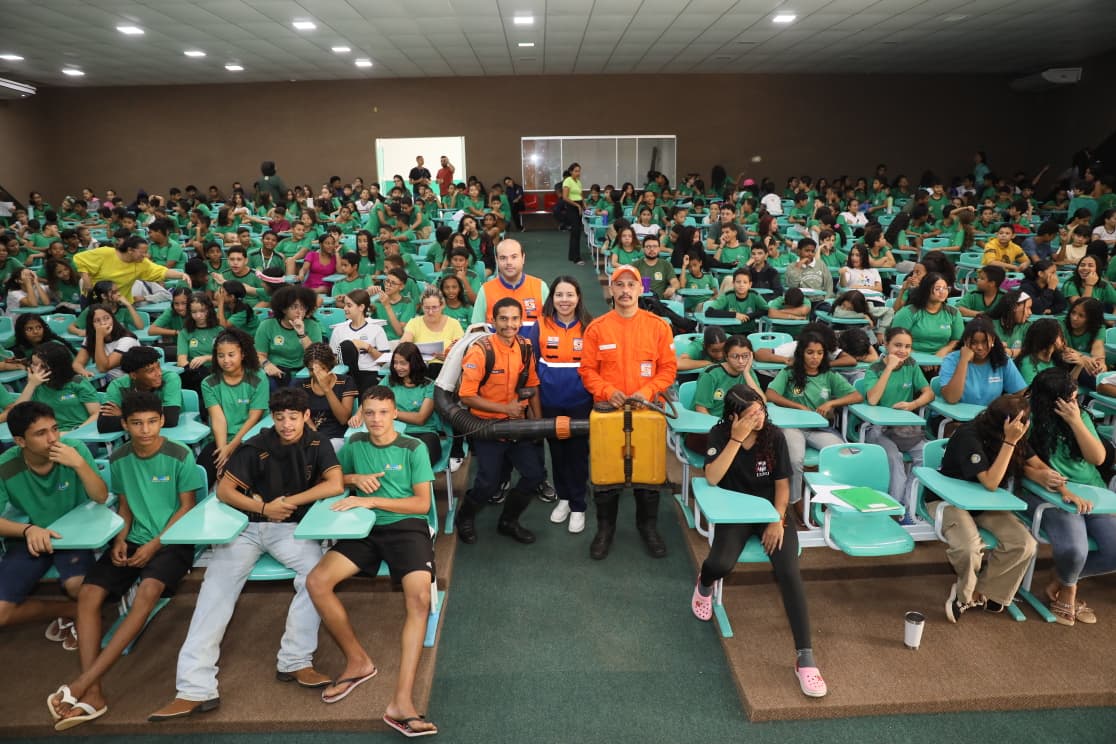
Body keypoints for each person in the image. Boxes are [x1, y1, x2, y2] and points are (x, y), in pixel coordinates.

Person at [149, 387, 342, 722]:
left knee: (316, 579)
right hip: (248, 527)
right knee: (215, 592)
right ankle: (194, 689)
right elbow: (224, 490)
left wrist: (290, 503)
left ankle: (295, 661)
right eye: (280, 417)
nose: (286, 424)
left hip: (289, 529)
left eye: (293, 417)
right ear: (272, 417)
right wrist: (264, 506)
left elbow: (335, 484)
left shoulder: (318, 443)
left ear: (306, 417)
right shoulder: (256, 445)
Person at [49, 392, 201, 731]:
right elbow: (126, 506)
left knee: (147, 592)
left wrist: (153, 545)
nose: (145, 430)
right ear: (124, 425)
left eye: (151, 421)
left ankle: (81, 684)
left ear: (161, 421)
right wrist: (120, 538)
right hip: (132, 537)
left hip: (172, 539)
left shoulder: (180, 454)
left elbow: (186, 507)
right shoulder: (119, 458)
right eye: (136, 423)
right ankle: (95, 692)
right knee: (88, 594)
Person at [305, 386, 438, 736]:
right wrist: (352, 480)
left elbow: (421, 504)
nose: (376, 419)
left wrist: (373, 501)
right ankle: (358, 661)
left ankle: (402, 702)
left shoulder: (414, 447)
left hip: (405, 527)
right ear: (361, 414)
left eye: (383, 412)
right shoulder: (355, 445)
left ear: (395, 413)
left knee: (420, 599)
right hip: (362, 529)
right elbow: (334, 481)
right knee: (317, 582)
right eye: (370, 412)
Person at [690, 386, 827, 698]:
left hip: (770, 514)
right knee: (721, 564)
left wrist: (777, 520)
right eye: (752, 414)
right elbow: (712, 477)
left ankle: (805, 658)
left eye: (762, 411)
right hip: (735, 513)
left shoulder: (774, 436)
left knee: (790, 574)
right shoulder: (719, 433)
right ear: (734, 416)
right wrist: (737, 439)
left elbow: (782, 485)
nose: (759, 417)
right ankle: (705, 582)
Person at [579, 265, 677, 560]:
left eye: (630, 285)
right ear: (611, 289)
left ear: (640, 289)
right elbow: (586, 370)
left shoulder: (658, 326)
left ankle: (647, 527)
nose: (624, 290)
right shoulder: (597, 328)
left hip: (647, 412)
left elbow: (668, 368)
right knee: (606, 474)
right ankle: (605, 529)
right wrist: (609, 392)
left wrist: (647, 392)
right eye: (618, 285)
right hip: (608, 414)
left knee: (649, 475)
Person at [0, 402, 108, 651]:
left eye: (55, 429)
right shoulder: (6, 465)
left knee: (78, 588)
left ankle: (79, 608)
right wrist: (28, 530)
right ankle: (70, 611)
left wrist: (79, 464)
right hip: (31, 538)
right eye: (41, 433)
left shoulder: (74, 449)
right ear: (20, 441)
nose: (53, 439)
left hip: (75, 535)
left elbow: (101, 496)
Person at [1024, 368, 1116, 626]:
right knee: (1075, 549)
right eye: (1069, 399)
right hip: (1047, 492)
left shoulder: (1079, 415)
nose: (1074, 403)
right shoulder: (1026, 417)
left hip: (1090, 489)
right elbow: (1015, 462)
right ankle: (1069, 591)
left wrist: (1076, 421)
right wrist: (1038, 476)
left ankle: (1063, 578)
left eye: (1075, 398)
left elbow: (1097, 458)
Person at [936, 395, 1039, 622]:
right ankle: (962, 596)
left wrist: (1048, 476)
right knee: (969, 548)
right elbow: (991, 482)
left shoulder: (1016, 433)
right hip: (949, 499)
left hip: (986, 505)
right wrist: (1010, 442)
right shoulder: (969, 435)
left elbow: (1036, 463)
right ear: (1003, 422)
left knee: (1024, 543)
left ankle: (982, 591)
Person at [454, 297, 545, 545]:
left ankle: (509, 521)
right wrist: (505, 408)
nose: (509, 324)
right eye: (503, 318)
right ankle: (465, 516)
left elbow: (533, 384)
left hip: (518, 425)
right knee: (488, 483)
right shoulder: (481, 351)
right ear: (492, 320)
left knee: (534, 475)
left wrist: (536, 422)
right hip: (487, 427)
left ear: (521, 320)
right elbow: (467, 395)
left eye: (515, 318)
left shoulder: (526, 347)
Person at [522, 276, 594, 533]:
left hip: (580, 404)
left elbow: (595, 368)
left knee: (577, 454)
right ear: (552, 298)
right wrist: (536, 408)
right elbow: (531, 369)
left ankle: (578, 506)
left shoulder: (589, 326)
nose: (564, 300)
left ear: (578, 298)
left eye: (570, 295)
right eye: (559, 295)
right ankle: (564, 498)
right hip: (550, 404)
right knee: (558, 454)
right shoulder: (539, 325)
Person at [765, 331, 862, 504]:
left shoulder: (829, 375)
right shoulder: (789, 373)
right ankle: (794, 501)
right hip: (792, 426)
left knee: (843, 454)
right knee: (795, 459)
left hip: (818, 429)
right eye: (810, 353)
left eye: (819, 353)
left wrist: (831, 403)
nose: (815, 357)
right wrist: (798, 406)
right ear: (801, 353)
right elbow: (771, 394)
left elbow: (856, 396)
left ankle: (836, 499)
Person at [862, 327, 934, 509]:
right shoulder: (874, 368)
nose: (903, 350)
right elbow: (872, 399)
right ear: (885, 344)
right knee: (895, 458)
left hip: (906, 430)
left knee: (927, 456)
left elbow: (929, 393)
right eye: (897, 345)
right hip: (879, 430)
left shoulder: (911, 364)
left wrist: (913, 405)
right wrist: (889, 368)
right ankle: (894, 508)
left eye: (908, 346)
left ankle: (909, 504)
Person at [198, 328, 269, 487]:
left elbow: (253, 418)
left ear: (243, 354)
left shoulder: (258, 377)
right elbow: (218, 420)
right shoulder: (209, 382)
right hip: (222, 440)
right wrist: (223, 451)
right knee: (204, 468)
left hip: (252, 440)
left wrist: (231, 448)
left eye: (231, 355)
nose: (226, 360)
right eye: (221, 355)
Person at [73, 235, 191, 304]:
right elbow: (79, 258)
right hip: (94, 299)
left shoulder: (142, 263)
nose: (145, 256)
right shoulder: (106, 253)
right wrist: (85, 277)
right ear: (130, 250)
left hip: (118, 302)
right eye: (142, 252)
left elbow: (160, 271)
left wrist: (181, 275)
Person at [940, 317, 1027, 406]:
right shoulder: (951, 360)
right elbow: (951, 398)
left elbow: (1020, 393)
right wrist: (963, 360)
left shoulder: (1002, 359)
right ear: (966, 341)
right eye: (974, 342)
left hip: (989, 417)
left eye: (985, 342)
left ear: (992, 340)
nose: (980, 347)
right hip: (954, 416)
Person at [13, 342, 100, 431]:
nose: (36, 370)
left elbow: (96, 413)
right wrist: (31, 385)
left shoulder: (77, 380)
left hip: (81, 433)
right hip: (47, 435)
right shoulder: (35, 384)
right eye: (33, 364)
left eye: (42, 366)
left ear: (58, 367)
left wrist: (75, 431)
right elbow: (16, 415)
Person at [98, 345, 183, 433]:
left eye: (158, 367)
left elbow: (170, 419)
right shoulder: (117, 385)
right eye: (151, 371)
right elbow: (103, 424)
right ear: (134, 375)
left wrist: (124, 414)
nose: (159, 373)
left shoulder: (170, 378)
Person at [385, 342, 443, 467]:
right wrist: (358, 414)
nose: (398, 367)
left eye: (403, 363)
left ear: (414, 363)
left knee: (419, 459)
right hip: (395, 432)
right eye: (395, 362)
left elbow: (420, 419)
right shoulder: (389, 381)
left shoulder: (429, 385)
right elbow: (370, 398)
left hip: (424, 433)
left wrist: (391, 413)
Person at [470, 238, 549, 327]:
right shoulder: (485, 290)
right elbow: (477, 330)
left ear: (523, 258)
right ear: (497, 260)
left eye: (514, 257)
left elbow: (552, 326)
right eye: (503, 258)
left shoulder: (540, 287)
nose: (509, 262)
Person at [256, 284, 324, 386]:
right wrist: (267, 365)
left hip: (302, 373)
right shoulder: (267, 325)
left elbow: (316, 357)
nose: (299, 312)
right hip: (275, 371)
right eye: (294, 307)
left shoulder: (313, 326)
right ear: (284, 309)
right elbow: (259, 355)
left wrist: (302, 333)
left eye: (303, 307)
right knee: (264, 383)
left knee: (295, 387)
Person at [330, 289, 391, 394]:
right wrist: (349, 350)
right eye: (344, 305)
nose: (345, 309)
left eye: (349, 305)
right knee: (347, 345)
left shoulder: (377, 329)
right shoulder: (338, 330)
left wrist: (368, 347)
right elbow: (333, 360)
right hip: (345, 373)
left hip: (369, 373)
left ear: (361, 307)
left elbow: (384, 361)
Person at [300, 343, 358, 451]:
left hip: (336, 437)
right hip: (309, 436)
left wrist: (327, 389)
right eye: (311, 369)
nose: (316, 373)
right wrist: (312, 429)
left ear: (329, 366)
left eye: (321, 369)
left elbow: (343, 419)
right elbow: (299, 410)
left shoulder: (345, 382)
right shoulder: (302, 385)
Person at [891, 272, 964, 356]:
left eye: (945, 288)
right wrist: (921, 359)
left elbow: (957, 340)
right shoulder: (909, 311)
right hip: (910, 357)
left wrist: (944, 352)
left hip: (942, 358)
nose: (942, 292)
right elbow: (896, 339)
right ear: (926, 290)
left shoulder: (953, 312)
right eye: (937, 289)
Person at [177, 292, 223, 393]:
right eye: (194, 312)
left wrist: (206, 358)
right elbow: (181, 361)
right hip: (196, 374)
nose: (198, 316)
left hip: (218, 371)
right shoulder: (185, 333)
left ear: (209, 310)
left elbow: (225, 356)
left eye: (203, 311)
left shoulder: (219, 331)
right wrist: (195, 368)